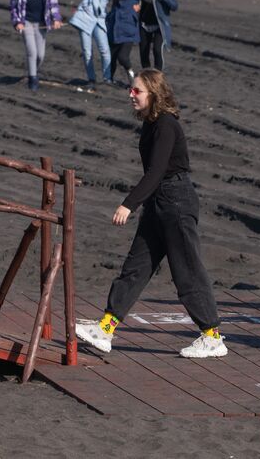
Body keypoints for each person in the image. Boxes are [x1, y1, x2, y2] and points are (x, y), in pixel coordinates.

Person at [75, 70, 227, 359]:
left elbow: (156, 172)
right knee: (136, 266)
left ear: (154, 94)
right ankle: (106, 329)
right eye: (131, 90)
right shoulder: (151, 124)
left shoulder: (166, 125)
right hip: (158, 204)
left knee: (187, 271)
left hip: (176, 202)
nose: (131, 95)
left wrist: (128, 204)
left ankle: (212, 337)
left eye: (137, 91)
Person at [10, 0, 62, 91]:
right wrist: (17, 22)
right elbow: (14, 4)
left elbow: (53, 3)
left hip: (42, 22)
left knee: (40, 55)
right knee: (32, 52)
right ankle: (32, 79)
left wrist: (56, 19)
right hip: (26, 21)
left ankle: (33, 71)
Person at [70, 0, 121, 87]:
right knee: (87, 52)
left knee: (105, 50)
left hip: (99, 21)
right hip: (85, 19)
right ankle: (91, 79)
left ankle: (107, 79)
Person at [136, 0, 177, 71]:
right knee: (143, 51)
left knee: (157, 50)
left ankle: (158, 75)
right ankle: (147, 75)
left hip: (160, 25)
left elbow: (174, 6)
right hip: (144, 24)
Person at [106, 0, 140, 86]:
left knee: (123, 57)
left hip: (128, 35)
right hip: (114, 33)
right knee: (110, 59)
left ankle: (132, 76)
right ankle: (109, 79)